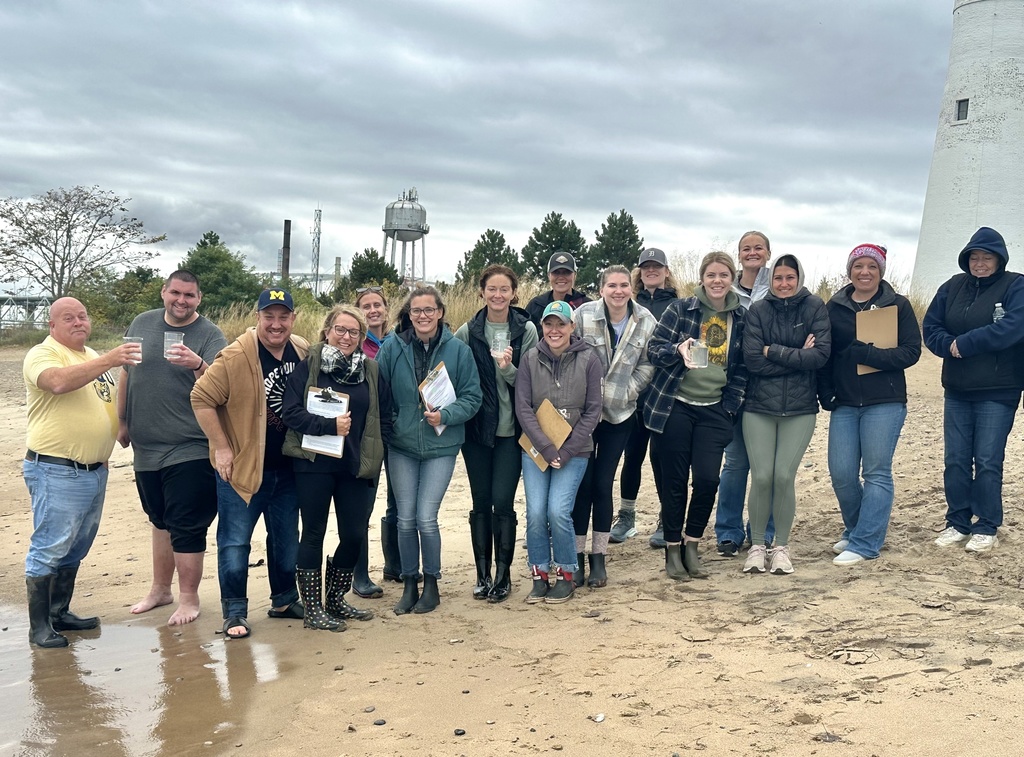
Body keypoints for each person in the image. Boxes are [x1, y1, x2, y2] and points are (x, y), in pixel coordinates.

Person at [191, 289, 309, 640]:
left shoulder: (301, 350)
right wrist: (222, 447)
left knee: (287, 538)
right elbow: (200, 398)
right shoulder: (235, 356)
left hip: (287, 468)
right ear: (257, 317)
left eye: (283, 316)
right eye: (268, 316)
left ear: (292, 318)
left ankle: (285, 600)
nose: (276, 324)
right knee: (236, 541)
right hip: (242, 470)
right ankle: (235, 612)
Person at [23, 297, 139, 647]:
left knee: (76, 546)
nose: (78, 322)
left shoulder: (89, 356)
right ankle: (39, 627)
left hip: (93, 470)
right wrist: (111, 358)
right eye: (68, 318)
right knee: (49, 546)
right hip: (56, 469)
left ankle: (60, 612)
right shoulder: (43, 354)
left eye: (83, 316)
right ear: (52, 326)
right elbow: (56, 383)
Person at [118, 270, 227, 626]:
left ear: (199, 298)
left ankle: (189, 598)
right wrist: (122, 421)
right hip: (145, 446)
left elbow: (221, 387)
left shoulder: (209, 334)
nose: (181, 301)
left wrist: (197, 363)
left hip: (190, 445)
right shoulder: (142, 323)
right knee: (160, 520)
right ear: (164, 292)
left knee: (186, 524)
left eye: (190, 295)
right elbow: (126, 372)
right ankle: (160, 589)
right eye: (176, 293)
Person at [281, 305, 392, 630]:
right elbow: (291, 413)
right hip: (314, 465)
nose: (346, 337)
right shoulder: (310, 367)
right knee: (313, 533)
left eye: (353, 332)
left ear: (361, 337)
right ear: (327, 330)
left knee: (354, 535)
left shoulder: (370, 370)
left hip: (355, 466)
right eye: (340, 330)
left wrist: (378, 447)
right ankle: (314, 609)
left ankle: (336, 599)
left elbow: (385, 414)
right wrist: (329, 426)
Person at [376, 286, 482, 615]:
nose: (422, 316)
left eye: (429, 310)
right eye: (416, 310)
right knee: (405, 520)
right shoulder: (392, 347)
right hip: (402, 446)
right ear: (409, 314)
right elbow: (378, 390)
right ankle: (410, 583)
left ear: (440, 313)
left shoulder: (458, 351)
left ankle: (431, 585)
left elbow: (472, 397)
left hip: (441, 445)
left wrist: (445, 416)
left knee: (425, 518)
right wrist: (392, 421)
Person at [644, 252, 748, 580]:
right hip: (676, 404)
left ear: (732, 279)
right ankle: (673, 549)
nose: (717, 281)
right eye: (711, 275)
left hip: (714, 409)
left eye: (724, 275)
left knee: (707, 480)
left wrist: (729, 407)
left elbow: (742, 370)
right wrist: (677, 349)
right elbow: (654, 350)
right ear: (702, 278)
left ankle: (693, 543)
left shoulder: (741, 319)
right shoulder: (680, 309)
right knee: (674, 483)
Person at [923, 227, 1024, 553]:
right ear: (967, 258)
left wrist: (963, 344)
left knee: (988, 460)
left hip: (999, 389)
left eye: (987, 257)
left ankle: (986, 525)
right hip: (957, 389)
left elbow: (1011, 328)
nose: (980, 263)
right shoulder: (952, 287)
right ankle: (958, 521)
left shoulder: (1016, 285)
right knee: (955, 459)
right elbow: (931, 326)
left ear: (1000, 259)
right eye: (974, 257)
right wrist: (947, 345)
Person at [741, 255, 831, 575]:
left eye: (789, 277)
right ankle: (755, 546)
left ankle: (780, 546)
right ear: (771, 280)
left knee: (783, 476)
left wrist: (773, 350)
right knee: (762, 476)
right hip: (758, 408)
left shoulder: (814, 307)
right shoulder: (759, 310)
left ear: (799, 278)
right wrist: (797, 355)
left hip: (800, 408)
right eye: (777, 277)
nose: (783, 283)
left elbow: (819, 356)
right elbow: (752, 359)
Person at [454, 265, 538, 603]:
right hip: (477, 430)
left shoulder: (526, 330)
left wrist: (507, 368)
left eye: (505, 289)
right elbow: (452, 372)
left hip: (512, 431)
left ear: (514, 293)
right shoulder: (468, 331)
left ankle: (503, 576)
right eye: (492, 289)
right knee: (480, 502)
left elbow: (529, 384)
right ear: (482, 292)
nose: (498, 295)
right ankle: (482, 575)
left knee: (503, 503)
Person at [571, 265, 655, 587]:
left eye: (623, 285)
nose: (618, 291)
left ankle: (599, 558)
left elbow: (649, 362)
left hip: (619, 416)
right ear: (601, 288)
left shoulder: (646, 320)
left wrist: (629, 390)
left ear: (630, 288)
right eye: (611, 286)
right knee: (582, 485)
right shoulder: (583, 315)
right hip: (583, 415)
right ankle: (576, 558)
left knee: (603, 485)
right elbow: (570, 353)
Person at [516, 301, 604, 604]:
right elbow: (523, 409)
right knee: (536, 512)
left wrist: (565, 452)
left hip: (575, 451)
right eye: (549, 324)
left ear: (572, 327)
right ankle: (539, 574)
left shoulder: (590, 359)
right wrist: (546, 446)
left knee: (557, 510)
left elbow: (593, 411)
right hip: (537, 448)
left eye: (561, 324)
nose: (555, 330)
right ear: (542, 327)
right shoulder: (529, 359)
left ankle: (567, 574)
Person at [611, 247, 679, 547]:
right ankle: (626, 517)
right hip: (635, 395)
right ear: (639, 272)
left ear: (666, 271)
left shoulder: (679, 305)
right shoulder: (630, 304)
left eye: (657, 266)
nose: (651, 271)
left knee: (663, 458)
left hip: (665, 395)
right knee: (632, 456)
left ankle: (667, 519)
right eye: (646, 267)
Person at [714, 231, 775, 557]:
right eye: (746, 249)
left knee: (765, 466)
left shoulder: (779, 284)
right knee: (735, 463)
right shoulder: (726, 288)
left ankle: (763, 530)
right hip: (734, 388)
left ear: (768, 252)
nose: (752, 253)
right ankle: (728, 531)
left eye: (758, 248)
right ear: (739, 255)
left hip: (768, 389)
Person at [355, 285, 402, 588]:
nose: (373, 311)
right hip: (365, 434)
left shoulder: (399, 340)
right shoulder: (352, 341)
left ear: (387, 308)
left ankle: (395, 565)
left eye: (377, 305)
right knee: (362, 504)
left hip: (398, 431)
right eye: (366, 306)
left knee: (399, 501)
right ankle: (360, 574)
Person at [525, 251, 590, 328]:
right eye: (556, 272)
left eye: (566, 272)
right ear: (549, 275)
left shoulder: (586, 306)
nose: (561, 277)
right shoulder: (536, 305)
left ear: (575, 275)